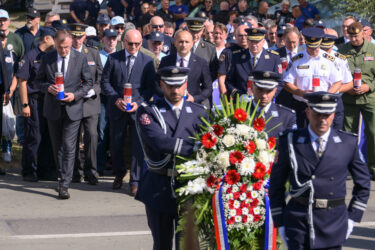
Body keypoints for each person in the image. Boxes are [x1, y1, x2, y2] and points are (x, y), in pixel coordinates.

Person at [269, 91, 371, 249]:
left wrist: (352, 218)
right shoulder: (290, 141)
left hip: (334, 223)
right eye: (318, 114)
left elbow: (363, 184)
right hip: (298, 223)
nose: (323, 120)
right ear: (308, 112)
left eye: (327, 115)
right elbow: (276, 185)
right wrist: (280, 222)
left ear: (333, 115)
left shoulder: (347, 143)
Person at [135, 66, 208, 250]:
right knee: (161, 244)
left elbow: (210, 144)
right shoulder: (148, 111)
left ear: (186, 85)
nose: (175, 90)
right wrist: (196, 148)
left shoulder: (199, 112)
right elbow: (159, 142)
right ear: (162, 85)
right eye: (170, 86)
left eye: (179, 85)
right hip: (159, 184)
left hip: (190, 187)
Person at [35, 29, 93, 199]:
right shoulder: (48, 58)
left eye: (67, 47)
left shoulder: (80, 57)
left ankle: (64, 184)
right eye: (61, 48)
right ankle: (61, 175)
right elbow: (38, 81)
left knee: (69, 146)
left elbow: (88, 81)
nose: (64, 51)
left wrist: (75, 95)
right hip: (53, 109)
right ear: (55, 44)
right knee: (57, 147)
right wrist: (48, 88)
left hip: (72, 108)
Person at [101, 29, 155, 194]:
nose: (133, 47)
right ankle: (119, 173)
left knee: (137, 146)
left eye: (137, 44)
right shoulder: (113, 58)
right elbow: (105, 82)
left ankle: (135, 180)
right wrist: (116, 99)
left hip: (136, 110)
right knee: (116, 145)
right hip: (118, 109)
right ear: (123, 42)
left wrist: (138, 103)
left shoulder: (147, 61)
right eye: (130, 43)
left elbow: (149, 88)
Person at [17, 27, 56, 182]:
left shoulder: (52, 56)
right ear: (46, 38)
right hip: (34, 101)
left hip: (49, 101)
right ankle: (28, 170)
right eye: (54, 38)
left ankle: (44, 170)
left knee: (47, 137)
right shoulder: (30, 56)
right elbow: (22, 81)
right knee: (34, 137)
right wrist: (25, 104)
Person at [283, 27, 342, 128]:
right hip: (302, 106)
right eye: (311, 47)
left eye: (316, 47)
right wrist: (301, 92)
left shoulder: (330, 60)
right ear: (306, 44)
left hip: (323, 106)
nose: (314, 50)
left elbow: (337, 82)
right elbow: (286, 83)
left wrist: (327, 96)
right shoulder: (296, 59)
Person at [339, 22, 375, 180]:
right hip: (349, 98)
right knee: (348, 134)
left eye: (356, 35)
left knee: (373, 133)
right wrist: (347, 87)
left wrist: (369, 86)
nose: (354, 38)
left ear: (363, 34)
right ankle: (348, 167)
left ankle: (372, 167)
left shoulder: (373, 50)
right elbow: (337, 76)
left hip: (370, 98)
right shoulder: (342, 51)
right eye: (351, 36)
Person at [68, 23, 102, 185]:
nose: (77, 40)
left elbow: (101, 78)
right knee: (72, 138)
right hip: (73, 101)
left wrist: (94, 90)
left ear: (84, 37)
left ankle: (91, 171)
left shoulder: (93, 54)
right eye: (74, 37)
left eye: (79, 37)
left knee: (92, 136)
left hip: (90, 102)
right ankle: (75, 171)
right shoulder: (66, 53)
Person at [158, 30, 212, 107]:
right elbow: (157, 83)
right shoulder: (166, 61)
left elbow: (208, 88)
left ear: (192, 43)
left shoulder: (201, 63)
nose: (184, 45)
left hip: (193, 106)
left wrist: (194, 98)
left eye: (187, 42)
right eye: (181, 42)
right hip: (169, 106)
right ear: (175, 43)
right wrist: (168, 96)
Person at [226, 27, 282, 98]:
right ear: (247, 41)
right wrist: (238, 95)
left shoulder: (273, 58)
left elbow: (279, 82)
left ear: (263, 41)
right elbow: (229, 81)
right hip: (242, 101)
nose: (254, 45)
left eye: (257, 42)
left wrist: (269, 96)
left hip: (265, 100)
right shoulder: (236, 57)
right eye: (251, 41)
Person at [250, 70, 296, 138]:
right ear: (252, 88)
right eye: (260, 90)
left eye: (269, 91)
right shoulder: (239, 111)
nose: (264, 95)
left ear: (275, 91)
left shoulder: (287, 116)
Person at [97, 28, 117, 176]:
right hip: (103, 99)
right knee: (102, 132)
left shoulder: (121, 56)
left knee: (116, 134)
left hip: (118, 99)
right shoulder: (97, 56)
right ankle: (100, 166)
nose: (111, 41)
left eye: (114, 38)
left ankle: (116, 166)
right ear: (102, 39)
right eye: (108, 38)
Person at [217, 22, 250, 95]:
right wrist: (225, 98)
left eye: (246, 35)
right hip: (233, 96)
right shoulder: (228, 52)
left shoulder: (254, 51)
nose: (243, 38)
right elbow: (221, 77)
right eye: (240, 35)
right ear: (235, 36)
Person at [185, 17, 218, 81]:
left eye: (198, 31)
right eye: (192, 31)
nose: (195, 35)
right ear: (187, 29)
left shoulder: (210, 49)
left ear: (203, 30)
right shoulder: (180, 45)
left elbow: (214, 72)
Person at [0, 30, 13, 168]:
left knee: (4, 125)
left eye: (3, 38)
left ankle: (6, 150)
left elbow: (8, 72)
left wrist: (8, 91)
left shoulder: (7, 53)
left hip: (4, 92)